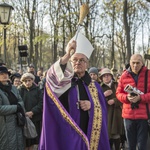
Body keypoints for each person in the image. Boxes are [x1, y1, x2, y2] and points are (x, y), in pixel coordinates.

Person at [39, 32, 110, 150]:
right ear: (70, 62)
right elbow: (50, 81)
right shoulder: (63, 82)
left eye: (82, 60)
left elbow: (103, 110)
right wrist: (67, 54)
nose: (78, 62)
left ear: (87, 64)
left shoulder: (95, 86)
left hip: (88, 131)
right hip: (66, 134)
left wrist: (91, 105)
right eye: (75, 60)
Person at [116, 54, 150, 150]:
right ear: (130, 63)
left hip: (143, 116)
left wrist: (141, 98)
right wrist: (126, 97)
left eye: (138, 63)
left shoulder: (148, 74)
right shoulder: (124, 76)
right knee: (130, 145)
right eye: (133, 63)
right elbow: (118, 93)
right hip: (128, 116)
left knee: (142, 146)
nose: (135, 65)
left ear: (142, 63)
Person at [0, 66, 25, 150]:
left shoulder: (13, 88)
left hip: (17, 122)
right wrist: (16, 108)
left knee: (19, 144)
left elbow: (21, 102)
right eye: (1, 74)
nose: (4, 76)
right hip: (4, 124)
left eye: (6, 74)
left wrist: (19, 107)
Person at [18, 73, 43, 150]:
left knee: (34, 140)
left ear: (32, 80)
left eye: (29, 80)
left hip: (35, 118)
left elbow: (41, 103)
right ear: (22, 81)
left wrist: (32, 112)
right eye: (25, 81)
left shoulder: (38, 90)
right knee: (25, 141)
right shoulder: (19, 90)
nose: (27, 82)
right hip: (23, 118)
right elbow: (17, 102)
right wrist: (24, 113)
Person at [100, 68, 123, 150]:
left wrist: (114, 100)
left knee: (116, 134)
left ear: (111, 76)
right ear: (102, 78)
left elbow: (123, 97)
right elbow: (95, 101)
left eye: (108, 75)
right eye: (104, 76)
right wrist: (103, 95)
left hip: (117, 113)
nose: (106, 77)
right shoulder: (99, 87)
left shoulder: (117, 85)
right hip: (106, 113)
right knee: (108, 134)